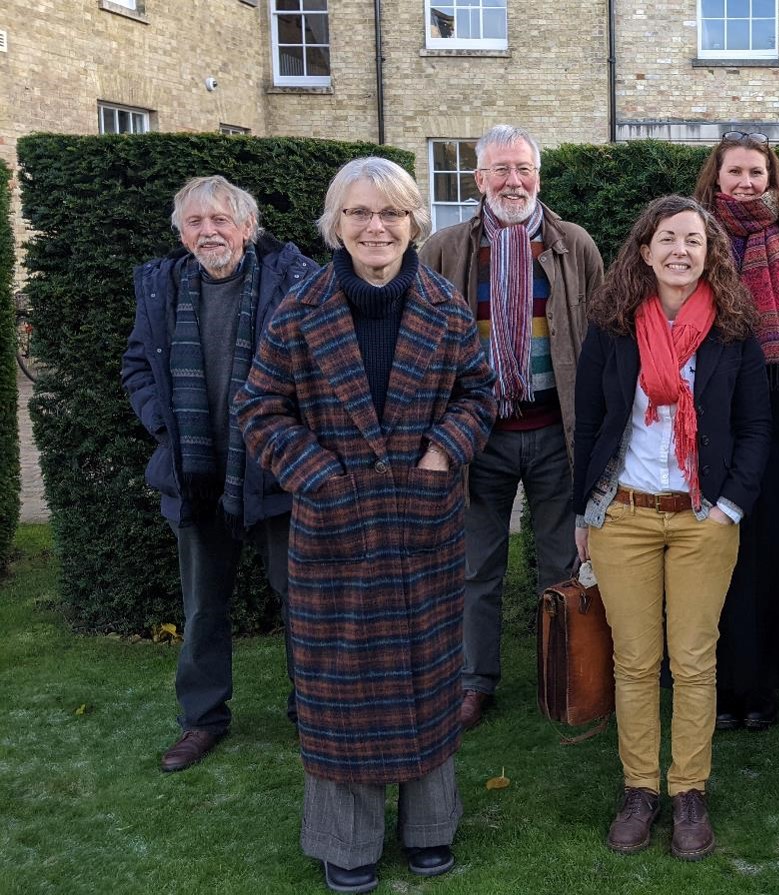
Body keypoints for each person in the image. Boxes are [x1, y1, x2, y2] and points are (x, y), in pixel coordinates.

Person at [236, 157, 497, 894]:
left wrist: (445, 451)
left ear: (414, 221)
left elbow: (478, 395)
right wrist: (317, 478)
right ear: (336, 223)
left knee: (426, 677)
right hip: (335, 530)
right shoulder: (299, 307)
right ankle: (344, 839)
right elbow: (260, 408)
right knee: (340, 686)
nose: (375, 227)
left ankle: (428, 828)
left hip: (422, 524)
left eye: (390, 213)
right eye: (358, 213)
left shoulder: (445, 306)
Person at [572, 195, 771, 861]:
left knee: (691, 659)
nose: (681, 250)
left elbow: (755, 428)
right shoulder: (614, 324)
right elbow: (591, 419)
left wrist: (730, 505)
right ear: (645, 248)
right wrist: (586, 510)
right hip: (624, 513)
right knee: (635, 659)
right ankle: (638, 788)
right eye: (668, 238)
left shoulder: (733, 329)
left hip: (701, 517)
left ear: (710, 252)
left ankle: (688, 790)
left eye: (694, 239)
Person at [122, 175, 318, 773]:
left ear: (247, 226)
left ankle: (311, 713)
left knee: (301, 602)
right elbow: (137, 365)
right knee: (204, 606)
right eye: (195, 224)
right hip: (197, 473)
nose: (209, 233)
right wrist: (166, 428)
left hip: (275, 475)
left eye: (220, 221)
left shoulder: (295, 278)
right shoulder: (163, 288)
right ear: (181, 234)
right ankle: (202, 720)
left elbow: (319, 369)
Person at [419, 124, 604, 730]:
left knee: (562, 563)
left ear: (538, 177)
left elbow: (600, 341)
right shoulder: (444, 249)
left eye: (523, 169)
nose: (513, 181)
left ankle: (564, 677)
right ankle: (476, 682)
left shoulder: (574, 245)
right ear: (479, 180)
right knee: (476, 565)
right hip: (479, 433)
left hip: (556, 431)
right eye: (500, 170)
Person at [691, 130, 779, 731]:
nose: (745, 183)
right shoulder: (694, 234)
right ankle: (714, 684)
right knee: (713, 549)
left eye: (756, 173)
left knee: (769, 549)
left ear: (772, 180)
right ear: (716, 177)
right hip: (714, 408)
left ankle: (763, 682)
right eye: (735, 172)